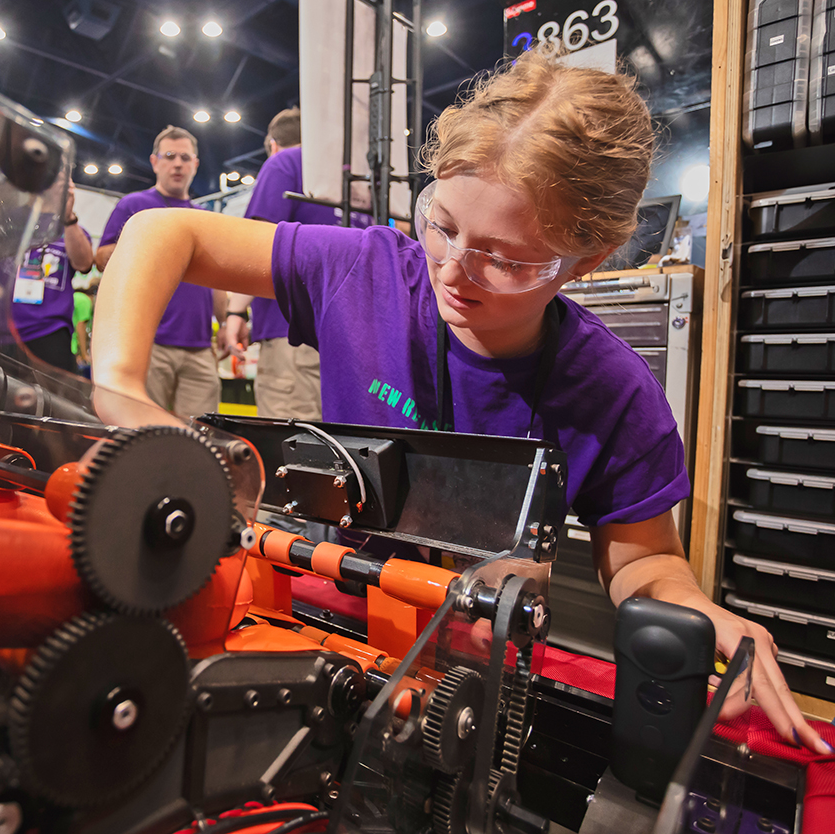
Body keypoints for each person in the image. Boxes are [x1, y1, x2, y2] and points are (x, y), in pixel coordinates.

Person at [89, 52, 831, 754]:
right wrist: (119, 385)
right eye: (441, 224)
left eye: (507, 259)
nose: (454, 270)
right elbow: (162, 231)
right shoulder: (367, 271)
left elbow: (643, 561)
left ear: (590, 257)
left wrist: (687, 610)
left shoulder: (613, 392)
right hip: (323, 621)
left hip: (470, 678)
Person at [226, 107, 371, 420]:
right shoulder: (354, 180)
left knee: (295, 443)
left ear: (273, 145)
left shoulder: (284, 163)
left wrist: (235, 311)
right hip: (356, 338)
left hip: (292, 330)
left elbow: (258, 243)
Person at [96, 125, 229, 417]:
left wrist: (228, 321)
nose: (178, 163)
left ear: (195, 164)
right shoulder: (134, 205)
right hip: (148, 342)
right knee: (142, 431)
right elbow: (102, 257)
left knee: (202, 436)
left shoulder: (205, 216)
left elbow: (219, 279)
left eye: (185, 157)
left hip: (199, 347)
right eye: (170, 156)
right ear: (155, 162)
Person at [10, 181, 94, 373]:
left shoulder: (73, 231)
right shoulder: (9, 221)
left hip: (50, 332)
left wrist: (68, 217)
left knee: (52, 400)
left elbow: (84, 264)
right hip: (3, 329)